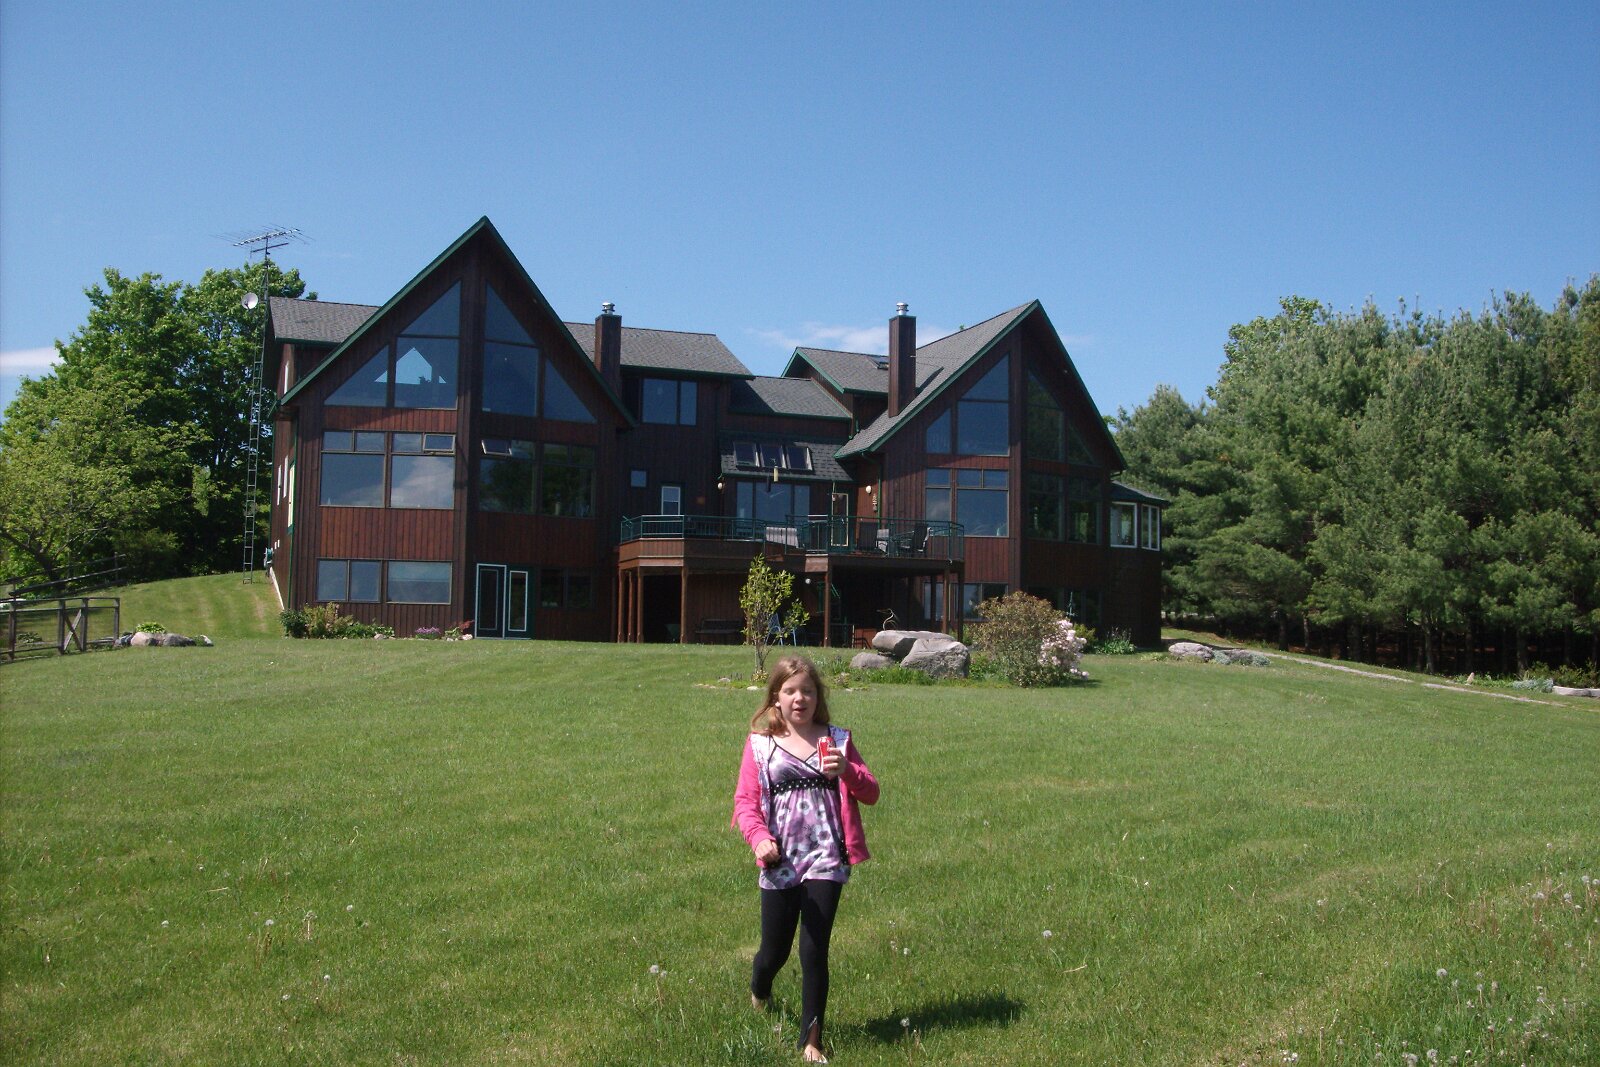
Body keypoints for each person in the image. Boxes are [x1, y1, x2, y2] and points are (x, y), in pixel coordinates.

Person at [732, 655, 879, 1064]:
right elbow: (745, 803)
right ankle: (760, 986)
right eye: (791, 691)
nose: (800, 698)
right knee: (774, 952)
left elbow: (871, 792)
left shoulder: (837, 740)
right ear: (776, 698)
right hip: (780, 859)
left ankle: (811, 1040)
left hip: (827, 857)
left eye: (808, 691)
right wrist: (759, 839)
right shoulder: (760, 744)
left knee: (815, 949)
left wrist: (847, 770)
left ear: (819, 696)